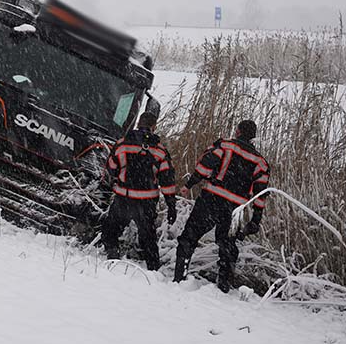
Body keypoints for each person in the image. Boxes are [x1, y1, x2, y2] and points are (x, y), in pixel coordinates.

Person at [173, 119, 271, 291]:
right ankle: (223, 286)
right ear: (253, 137)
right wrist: (256, 219)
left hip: (211, 200)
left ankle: (179, 278)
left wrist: (189, 185)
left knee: (189, 237)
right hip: (235, 209)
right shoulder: (260, 162)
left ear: (238, 131)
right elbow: (260, 195)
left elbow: (204, 167)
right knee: (227, 245)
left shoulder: (225, 146)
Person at [100, 111, 177, 270]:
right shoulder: (160, 151)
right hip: (146, 203)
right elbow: (167, 181)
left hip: (123, 199)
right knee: (148, 238)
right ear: (153, 127)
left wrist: (110, 186)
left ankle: (112, 255)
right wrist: (171, 205)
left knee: (111, 231)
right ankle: (153, 269)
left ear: (138, 124)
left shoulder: (122, 144)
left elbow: (110, 170)